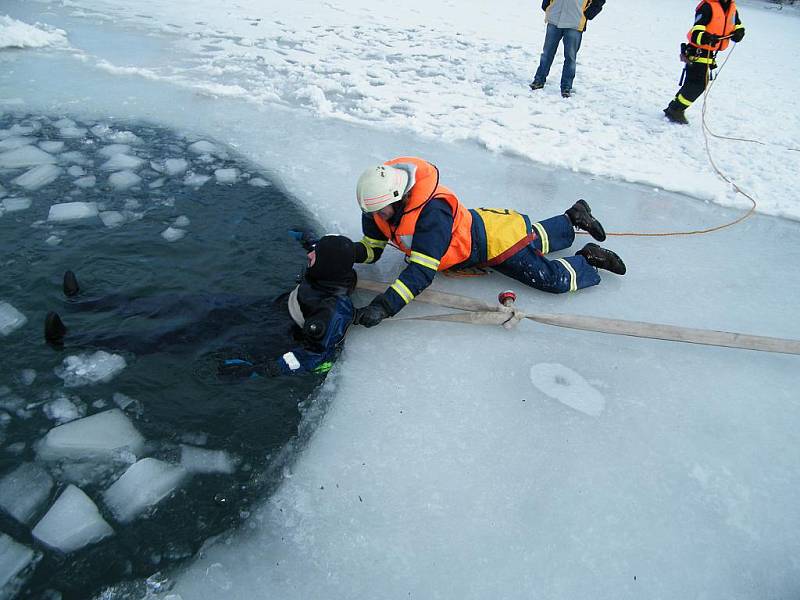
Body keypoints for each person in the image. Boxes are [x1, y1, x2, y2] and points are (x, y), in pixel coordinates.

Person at [352, 157, 626, 328]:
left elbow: (421, 272)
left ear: (399, 198)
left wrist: (384, 306)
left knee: (550, 279)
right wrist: (344, 252)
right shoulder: (379, 207)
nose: (377, 218)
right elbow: (371, 248)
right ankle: (572, 219)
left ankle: (587, 258)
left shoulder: (431, 214)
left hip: (491, 243)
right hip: (478, 229)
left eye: (381, 211)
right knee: (530, 238)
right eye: (372, 213)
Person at [44, 235, 358, 378]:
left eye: (314, 256)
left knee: (183, 334)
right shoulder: (332, 274)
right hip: (268, 308)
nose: (309, 259)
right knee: (190, 302)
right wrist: (308, 241)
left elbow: (315, 357)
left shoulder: (332, 311)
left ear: (326, 266)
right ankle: (86, 303)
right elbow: (331, 256)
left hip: (275, 330)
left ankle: (71, 339)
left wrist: (261, 370)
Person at [663, 0, 745, 125]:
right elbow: (697, 31)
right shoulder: (707, 6)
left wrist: (739, 32)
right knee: (698, 84)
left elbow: (737, 24)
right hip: (697, 51)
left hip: (709, 53)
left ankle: (674, 108)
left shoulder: (731, 7)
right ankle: (675, 109)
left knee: (694, 83)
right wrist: (705, 37)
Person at [529, 0, 606, 98]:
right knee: (547, 54)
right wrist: (547, 6)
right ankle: (538, 81)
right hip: (554, 18)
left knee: (570, 57)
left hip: (575, 22)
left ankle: (566, 87)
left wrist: (588, 14)